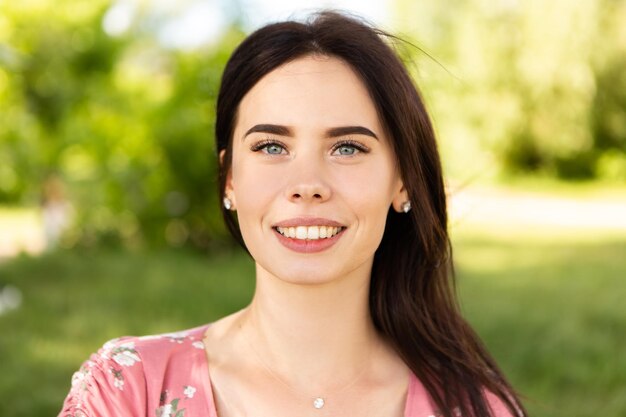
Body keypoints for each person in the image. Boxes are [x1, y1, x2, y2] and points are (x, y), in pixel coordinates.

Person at [59, 11, 526, 417]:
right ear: (230, 179)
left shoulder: (473, 407)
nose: (307, 185)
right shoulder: (127, 391)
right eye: (271, 146)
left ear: (401, 179)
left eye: (346, 147)